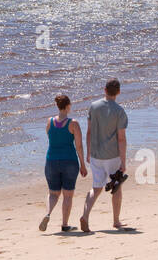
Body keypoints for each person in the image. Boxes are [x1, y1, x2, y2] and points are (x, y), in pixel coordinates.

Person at [81, 78, 130, 233]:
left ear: (105, 90)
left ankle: (85, 215)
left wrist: (88, 152)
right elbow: (121, 138)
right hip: (112, 155)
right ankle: (116, 221)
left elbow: (89, 132)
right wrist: (123, 160)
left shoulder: (93, 107)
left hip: (96, 154)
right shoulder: (119, 111)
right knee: (117, 187)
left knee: (96, 188)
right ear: (119, 92)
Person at [40, 95, 87, 233]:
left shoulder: (49, 122)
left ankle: (48, 213)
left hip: (51, 161)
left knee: (53, 193)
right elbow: (79, 146)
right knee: (68, 194)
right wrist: (83, 164)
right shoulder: (73, 123)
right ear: (67, 106)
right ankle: (65, 224)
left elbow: (50, 137)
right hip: (69, 162)